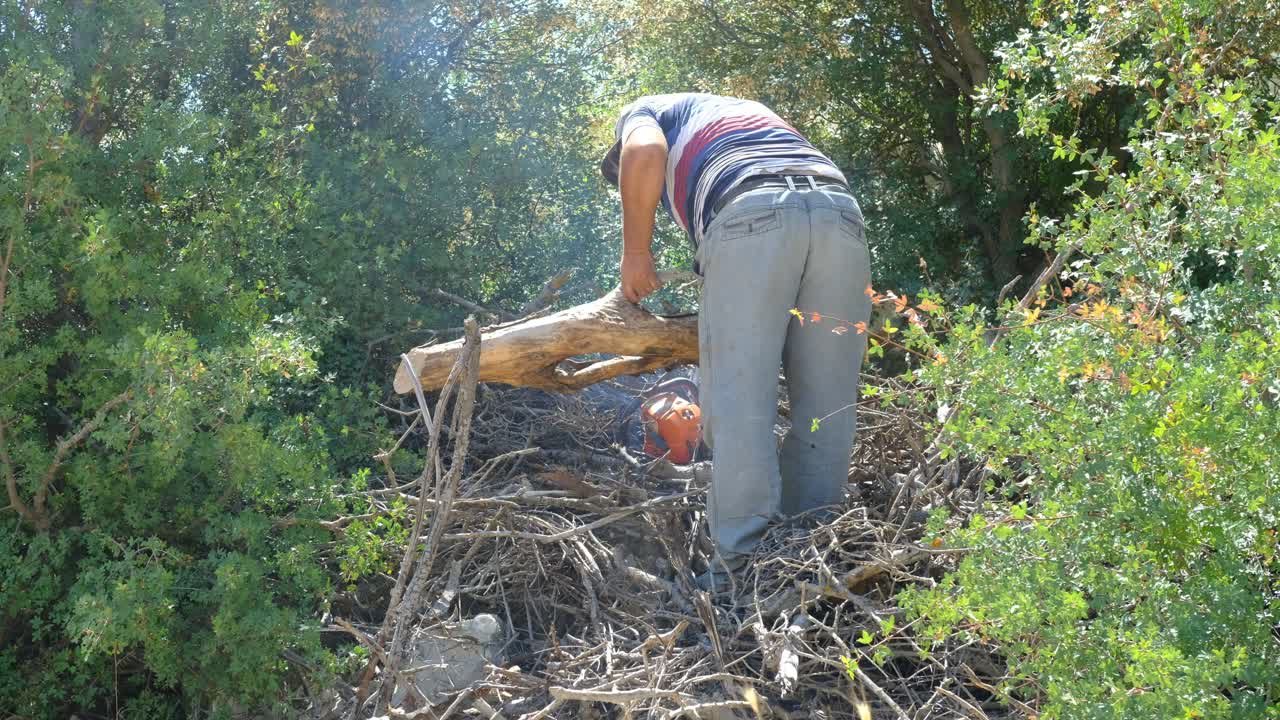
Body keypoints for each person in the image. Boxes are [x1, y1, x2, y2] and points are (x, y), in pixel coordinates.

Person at [599, 93, 872, 588]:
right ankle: (806, 557)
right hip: (840, 216)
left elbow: (643, 154)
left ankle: (741, 573)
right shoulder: (735, 111)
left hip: (751, 210)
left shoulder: (647, 112)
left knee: (739, 403)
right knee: (826, 405)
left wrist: (636, 254)